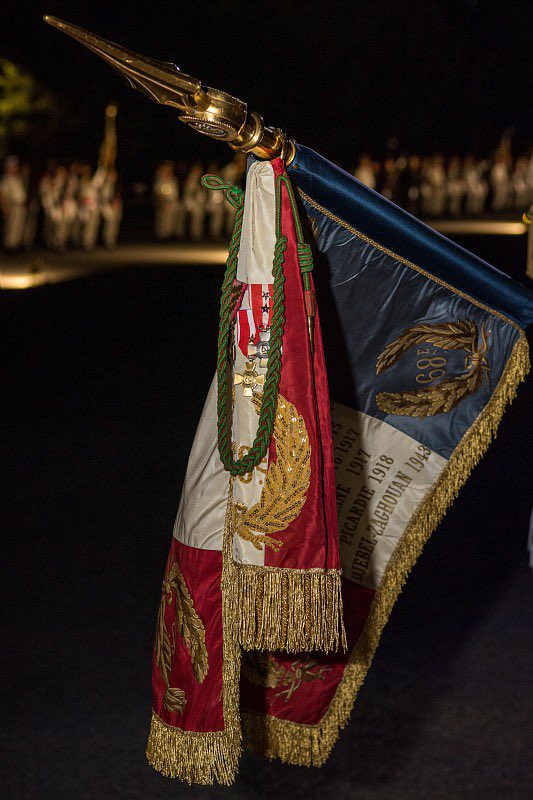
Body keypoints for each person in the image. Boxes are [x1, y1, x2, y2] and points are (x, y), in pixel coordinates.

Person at [0, 156, 27, 251]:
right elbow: (2, 195)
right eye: (12, 166)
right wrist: (4, 208)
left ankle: (15, 246)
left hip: (19, 207)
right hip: (11, 207)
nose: (15, 168)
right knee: (11, 228)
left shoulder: (17, 179)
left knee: (18, 228)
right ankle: (9, 248)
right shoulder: (5, 179)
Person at [153, 161, 179, 240]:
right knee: (162, 221)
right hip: (163, 203)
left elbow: (175, 193)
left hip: (172, 203)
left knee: (171, 221)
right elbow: (157, 192)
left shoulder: (173, 180)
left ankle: (169, 235)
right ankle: (161, 236)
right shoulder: (160, 180)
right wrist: (162, 202)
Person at [182, 163, 206, 241]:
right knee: (192, 219)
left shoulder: (201, 179)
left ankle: (197, 235)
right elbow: (188, 192)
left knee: (199, 219)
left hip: (200, 202)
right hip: (192, 202)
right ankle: (190, 235)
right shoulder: (190, 179)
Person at [100, 167, 122, 248]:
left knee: (116, 223)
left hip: (117, 206)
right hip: (108, 206)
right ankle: (107, 239)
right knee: (109, 223)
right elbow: (104, 196)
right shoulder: (105, 184)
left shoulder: (117, 184)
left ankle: (113, 239)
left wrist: (117, 201)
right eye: (111, 175)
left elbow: (119, 195)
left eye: (114, 175)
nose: (113, 176)